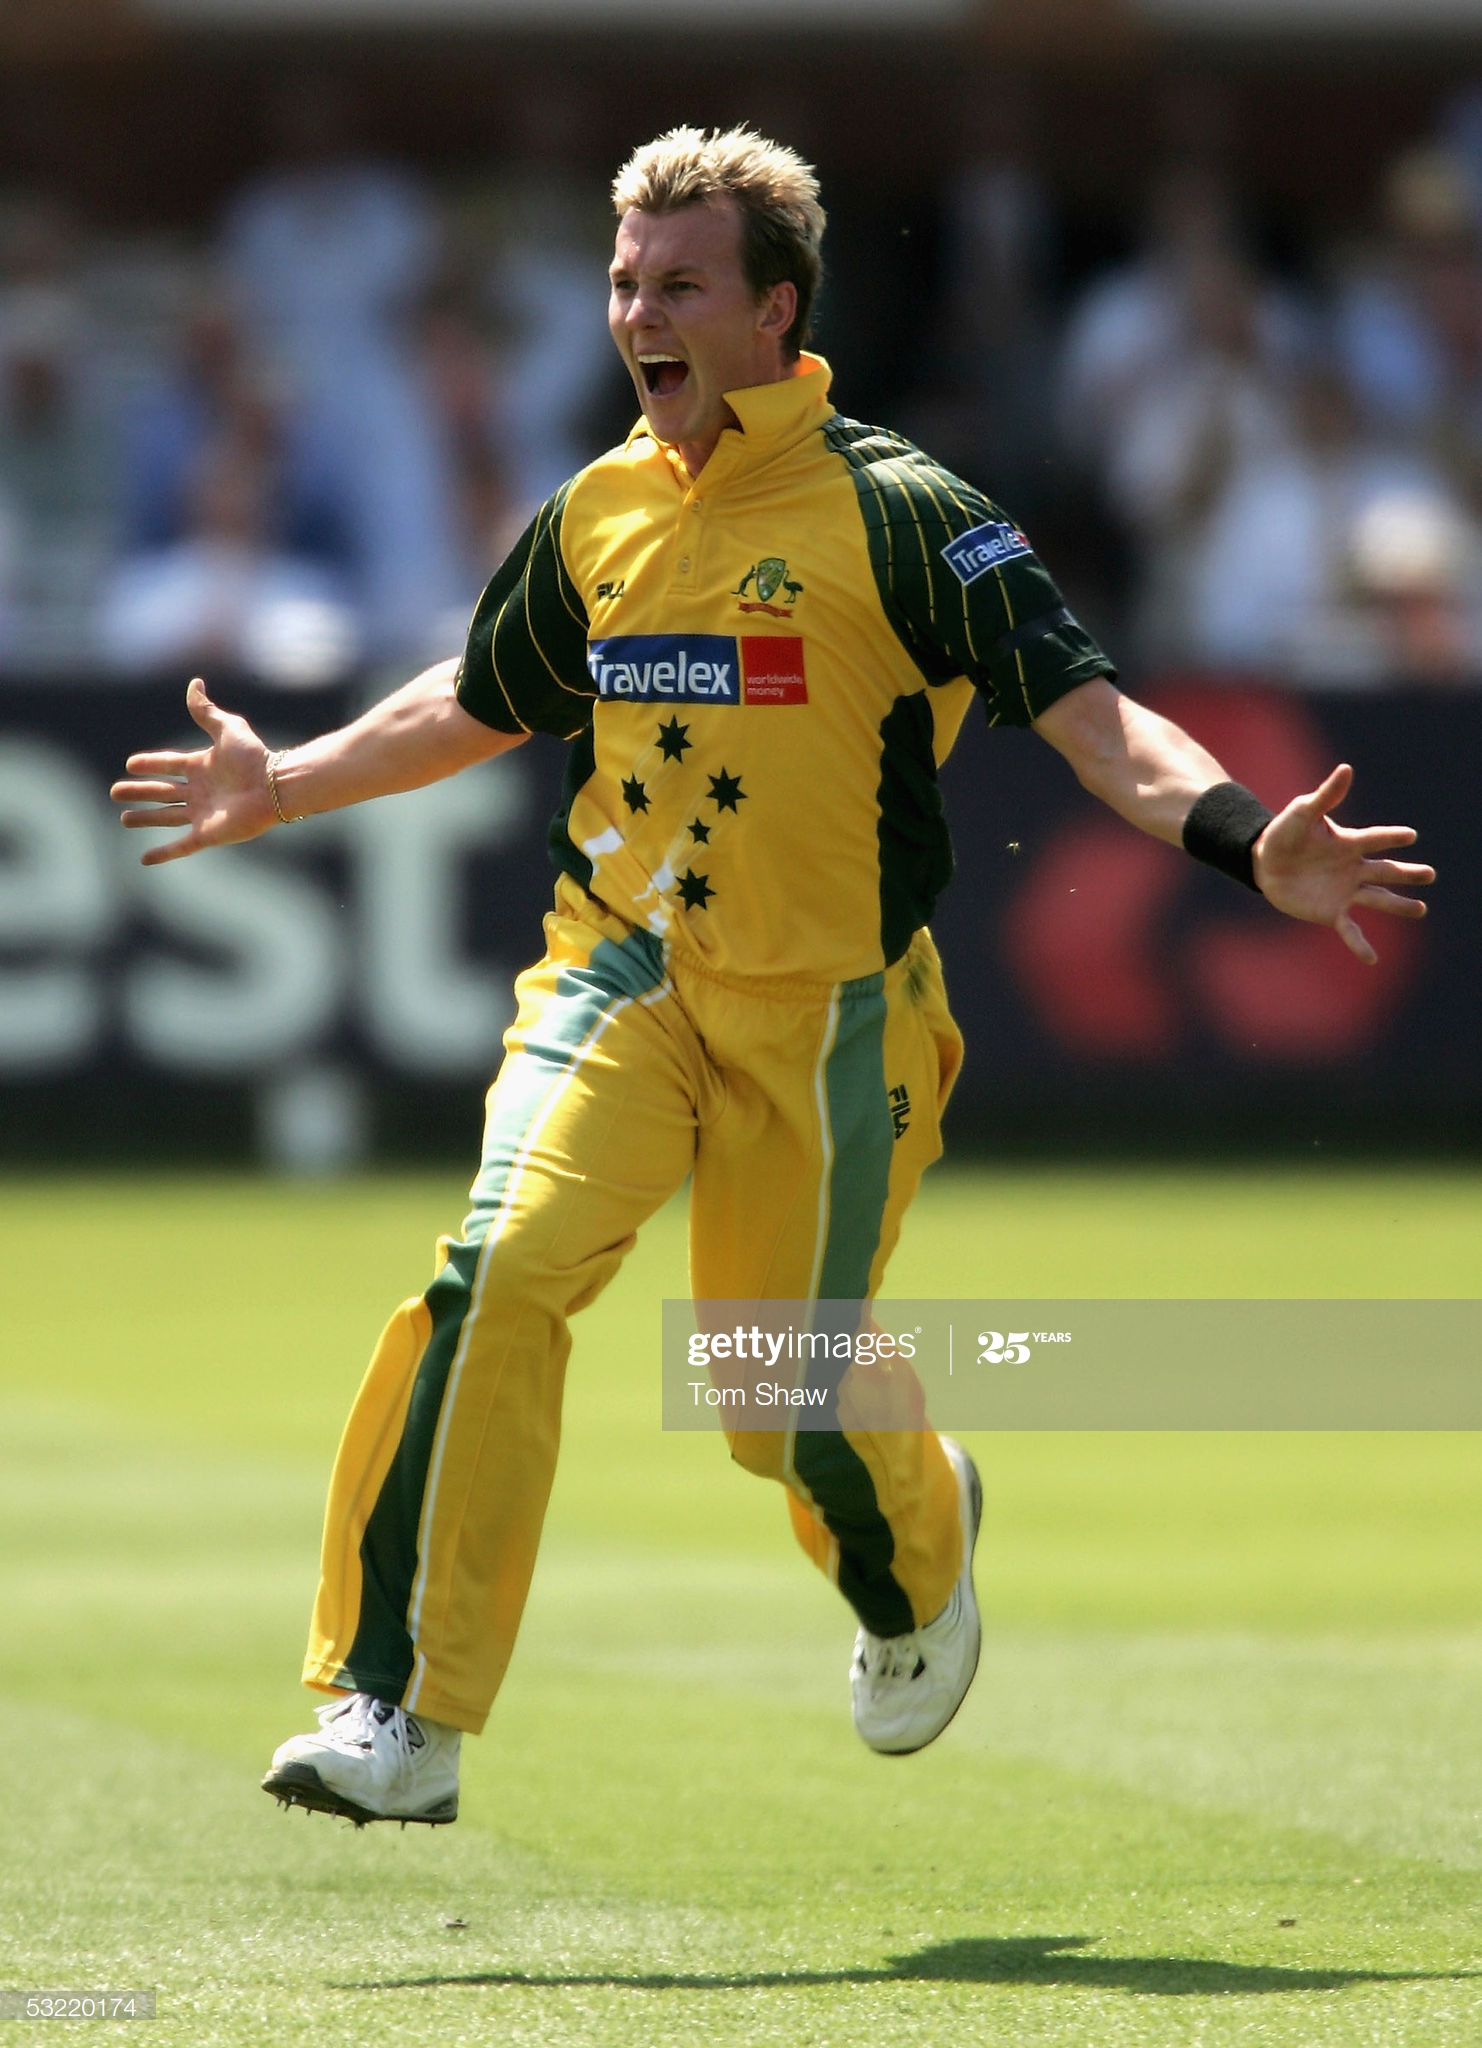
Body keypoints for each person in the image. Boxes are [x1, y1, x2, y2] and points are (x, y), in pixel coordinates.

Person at [111, 128, 1433, 1829]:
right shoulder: (595, 511)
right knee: (497, 1272)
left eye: (677, 284)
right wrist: (281, 781)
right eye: (621, 281)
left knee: (766, 1402)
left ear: (772, 310)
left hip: (833, 1018)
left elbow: (1100, 725)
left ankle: (920, 1532)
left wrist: (1252, 843)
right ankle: (398, 1708)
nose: (635, 314)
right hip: (624, 970)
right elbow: (478, 697)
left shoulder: (908, 518)